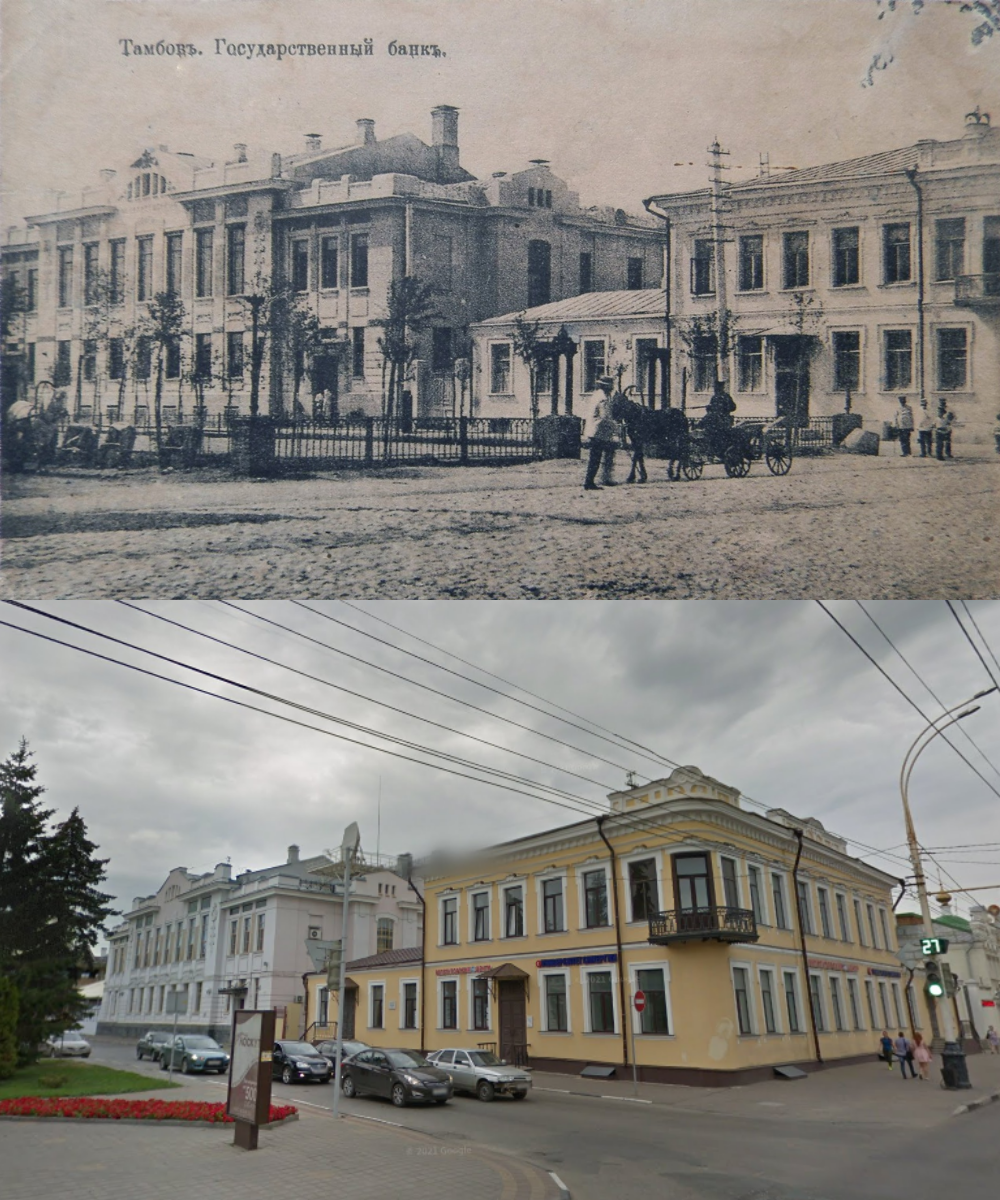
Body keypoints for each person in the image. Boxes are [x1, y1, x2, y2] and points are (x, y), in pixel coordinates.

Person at [584, 376, 620, 491]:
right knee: (596, 458)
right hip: (598, 431)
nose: (612, 388)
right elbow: (605, 417)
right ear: (606, 386)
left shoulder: (597, 395)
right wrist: (616, 427)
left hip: (597, 430)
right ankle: (589, 482)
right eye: (610, 386)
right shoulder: (602, 399)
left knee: (601, 456)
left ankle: (601, 479)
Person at [702, 379, 737, 457]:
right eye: (715, 388)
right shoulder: (714, 397)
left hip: (724, 418)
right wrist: (709, 407)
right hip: (714, 417)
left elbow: (733, 407)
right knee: (707, 418)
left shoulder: (726, 397)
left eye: (718, 388)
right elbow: (710, 408)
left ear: (722, 388)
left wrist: (724, 408)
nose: (716, 389)